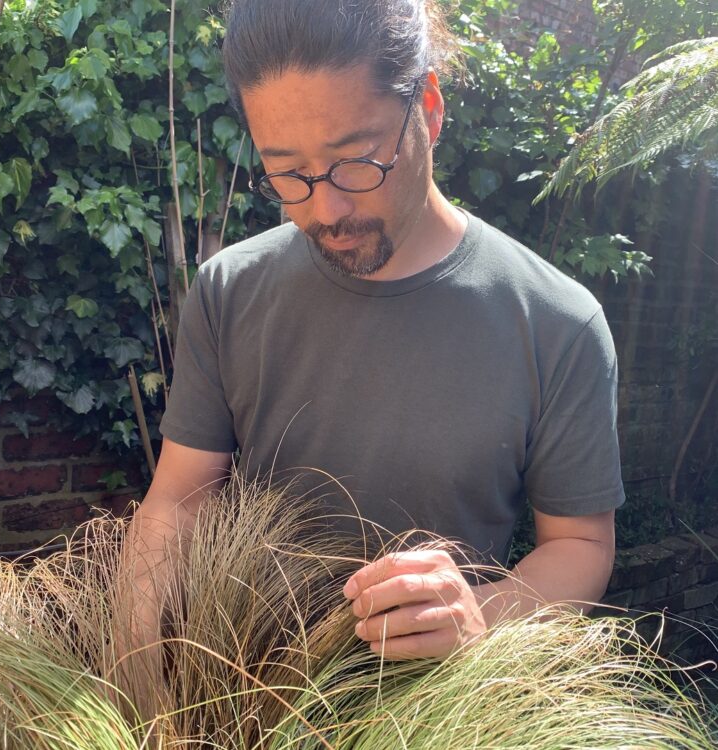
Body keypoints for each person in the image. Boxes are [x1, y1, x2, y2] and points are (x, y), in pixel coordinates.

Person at [126, 0, 625, 662]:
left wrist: (482, 618)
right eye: (287, 172)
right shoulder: (229, 293)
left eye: (355, 159)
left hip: (443, 711)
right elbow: (178, 502)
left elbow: (581, 542)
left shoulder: (558, 322)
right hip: (249, 700)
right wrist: (131, 673)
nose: (326, 209)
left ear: (429, 108)